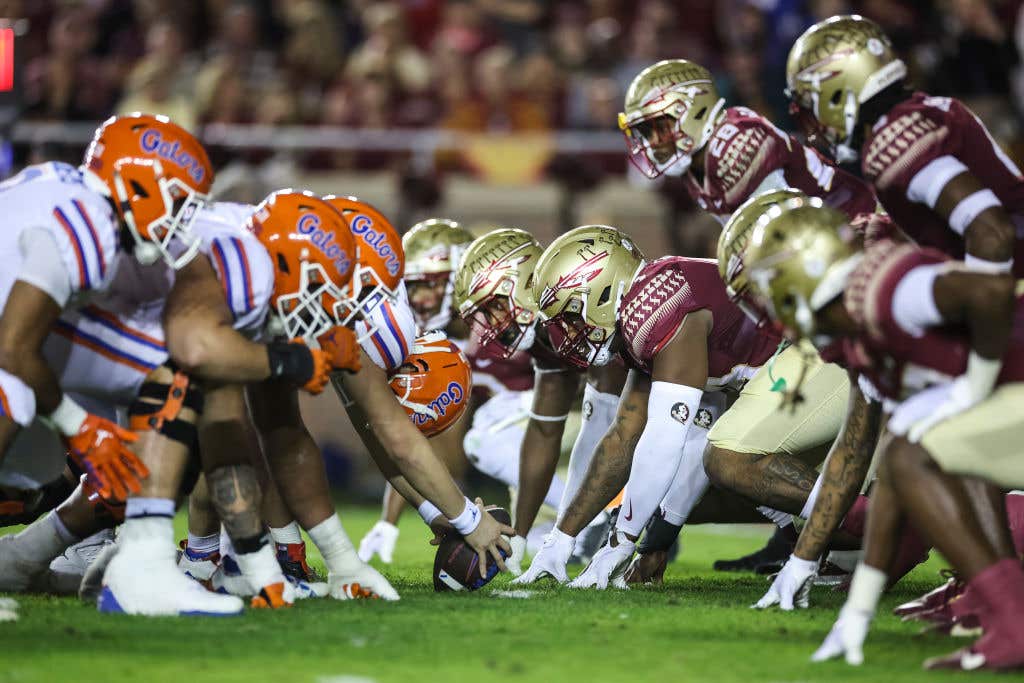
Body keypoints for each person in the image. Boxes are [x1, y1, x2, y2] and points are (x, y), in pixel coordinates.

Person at [614, 57, 878, 576]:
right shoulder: (703, 166)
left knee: (736, 432)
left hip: (851, 277)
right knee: (737, 407)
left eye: (659, 126)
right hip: (824, 284)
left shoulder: (737, 145)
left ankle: (875, 527)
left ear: (695, 112)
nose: (655, 141)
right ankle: (799, 532)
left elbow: (776, 244)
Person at [741, 195, 1024, 671]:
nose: (769, 306)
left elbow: (990, 293)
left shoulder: (884, 286)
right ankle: (1006, 612)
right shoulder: (857, 339)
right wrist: (857, 612)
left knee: (926, 455)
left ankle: (1011, 616)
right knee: (914, 457)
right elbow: (894, 481)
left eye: (772, 286)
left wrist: (973, 387)